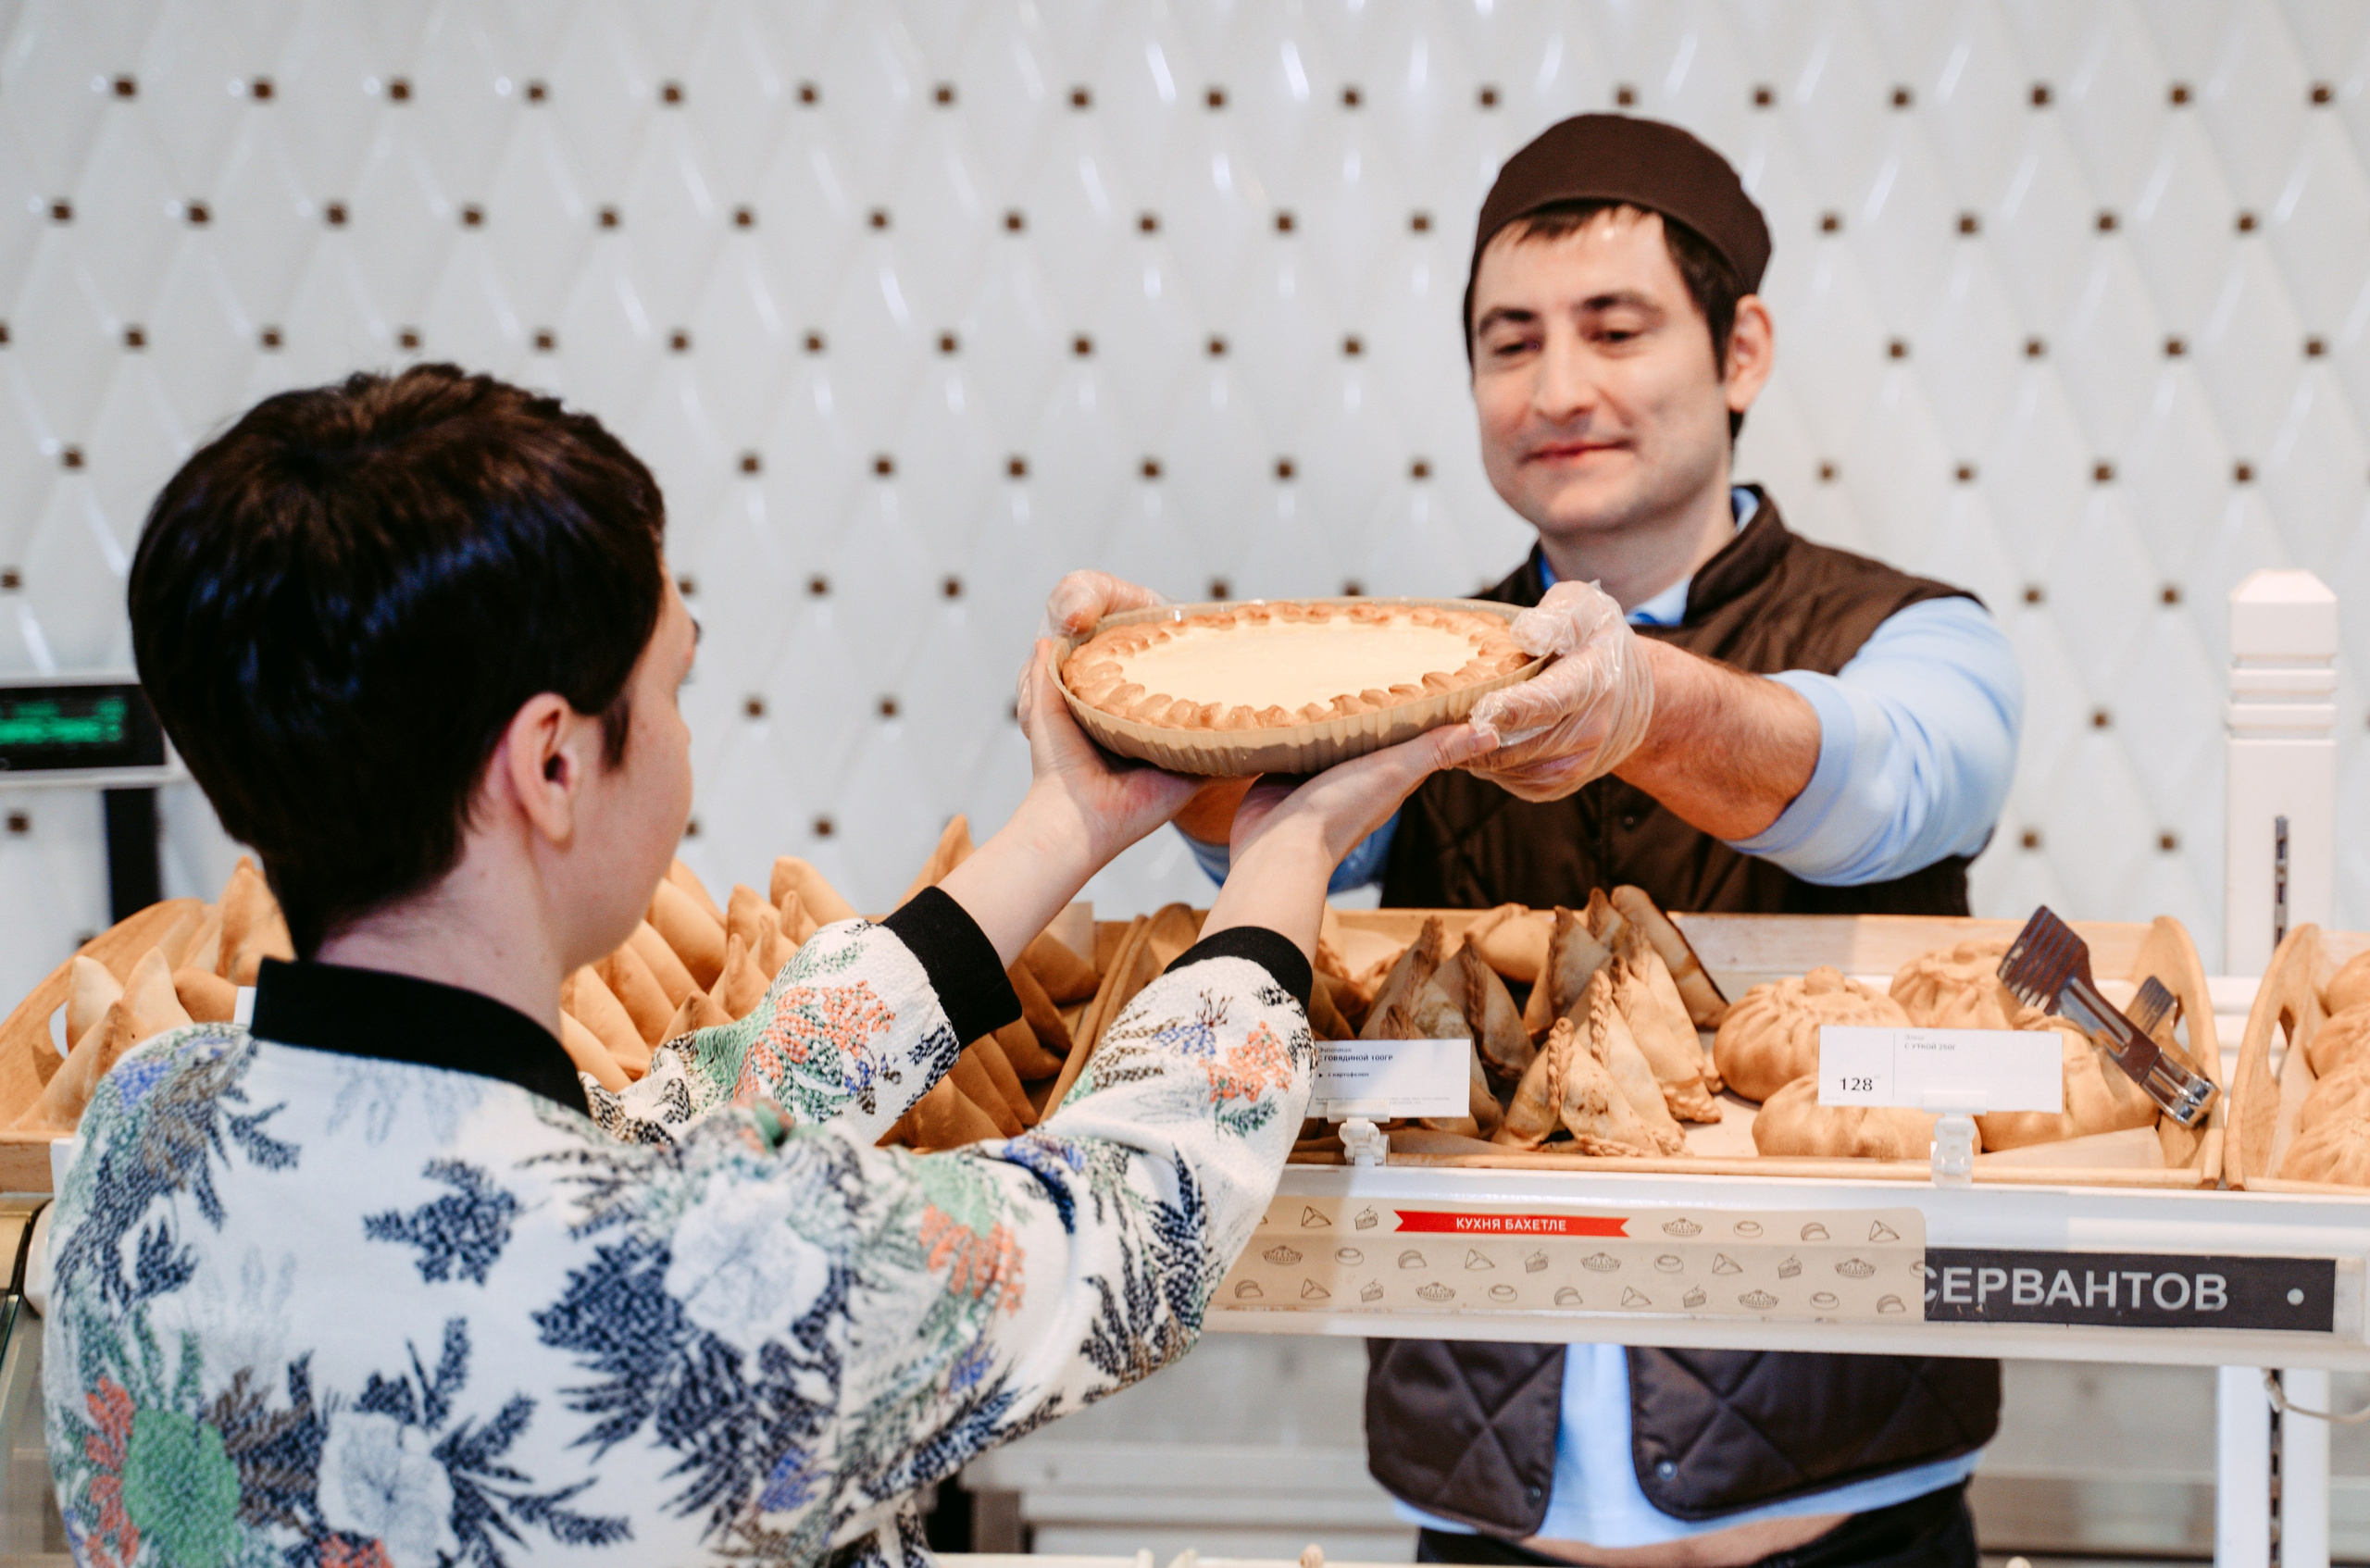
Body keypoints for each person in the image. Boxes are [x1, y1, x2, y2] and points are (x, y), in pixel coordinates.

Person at [42, 365, 1493, 1568]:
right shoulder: (716, 1290)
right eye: (671, 682)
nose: (680, 731)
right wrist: (1290, 850)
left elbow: (682, 1123)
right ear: (555, 761)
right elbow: (1136, 1224)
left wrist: (1075, 821)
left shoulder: (141, 1142)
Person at [1056, 117, 2021, 1567]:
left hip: (1852, 1518)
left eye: (1614, 328)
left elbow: (1887, 783)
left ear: (1740, 350)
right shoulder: (1421, 671)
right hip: (1486, 1523)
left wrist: (1649, 703)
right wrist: (1169, 736)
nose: (1559, 387)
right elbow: (1293, 866)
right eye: (1510, 344)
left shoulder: (1915, 636)